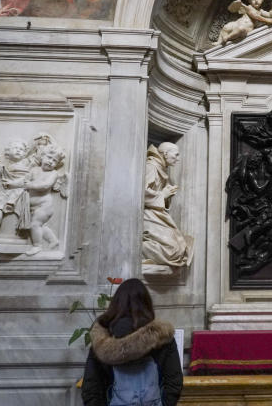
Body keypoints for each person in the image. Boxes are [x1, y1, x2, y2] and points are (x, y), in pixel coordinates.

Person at [82, 278, 182, 406]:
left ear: (116, 303)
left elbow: (91, 387)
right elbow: (174, 381)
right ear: (146, 303)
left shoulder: (103, 340)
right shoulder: (161, 337)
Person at [142, 143, 194, 271]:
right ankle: (136, 247)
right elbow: (141, 194)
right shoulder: (151, 167)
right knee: (173, 250)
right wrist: (162, 195)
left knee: (180, 248)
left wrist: (166, 195)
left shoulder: (160, 168)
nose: (178, 158)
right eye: (176, 155)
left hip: (156, 213)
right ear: (165, 154)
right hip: (148, 215)